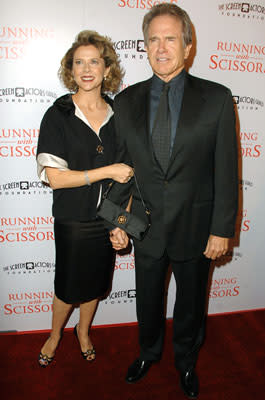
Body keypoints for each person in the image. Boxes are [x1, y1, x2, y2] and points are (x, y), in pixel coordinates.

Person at [108, 4, 238, 398]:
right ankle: (148, 352)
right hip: (145, 226)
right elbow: (121, 166)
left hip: (198, 228)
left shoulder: (216, 99)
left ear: (188, 45)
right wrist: (115, 219)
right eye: (153, 39)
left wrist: (221, 229)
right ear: (145, 46)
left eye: (170, 38)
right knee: (147, 298)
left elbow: (226, 170)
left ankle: (186, 361)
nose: (161, 48)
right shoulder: (126, 101)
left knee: (192, 303)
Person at [36, 30, 133, 367]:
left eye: (94, 61)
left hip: (108, 216)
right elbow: (56, 178)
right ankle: (54, 334)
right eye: (79, 62)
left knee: (94, 284)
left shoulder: (121, 114)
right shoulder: (58, 114)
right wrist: (105, 171)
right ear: (71, 69)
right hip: (73, 218)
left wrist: (121, 222)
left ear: (107, 69)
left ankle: (83, 331)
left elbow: (129, 177)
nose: (86, 68)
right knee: (67, 285)